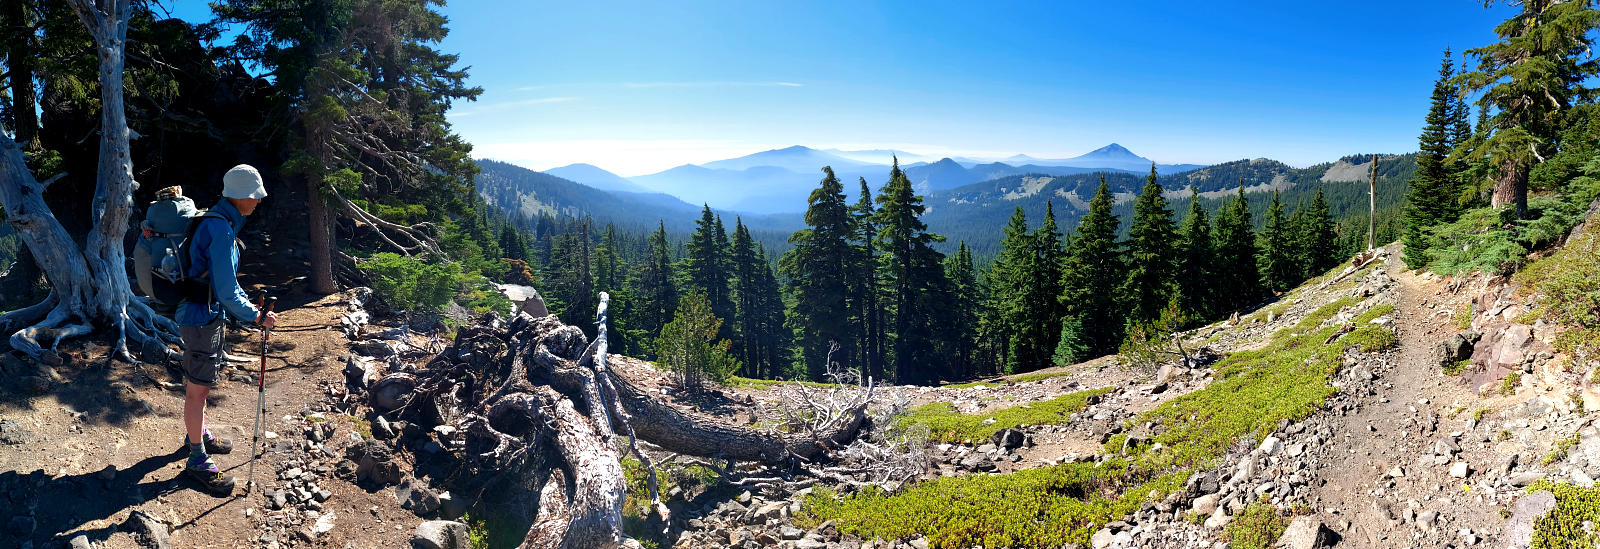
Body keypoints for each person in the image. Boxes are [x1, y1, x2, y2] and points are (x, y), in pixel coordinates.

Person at [176, 164, 278, 495]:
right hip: (201, 318)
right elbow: (226, 288)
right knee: (198, 389)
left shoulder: (219, 222)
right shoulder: (220, 229)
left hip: (203, 315)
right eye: (254, 196)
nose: (258, 201)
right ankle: (196, 459)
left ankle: (198, 433)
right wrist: (256, 316)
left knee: (198, 383)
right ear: (239, 197)